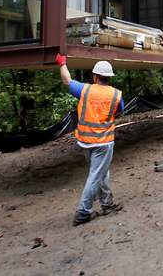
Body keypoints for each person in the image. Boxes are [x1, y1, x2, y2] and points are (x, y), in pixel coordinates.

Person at [56, 53, 125, 226]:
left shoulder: (85, 90)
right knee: (96, 175)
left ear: (95, 76)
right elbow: (119, 111)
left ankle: (107, 204)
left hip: (85, 141)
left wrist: (62, 63)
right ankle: (83, 212)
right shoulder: (116, 95)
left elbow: (67, 81)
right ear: (109, 77)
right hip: (103, 142)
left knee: (100, 173)